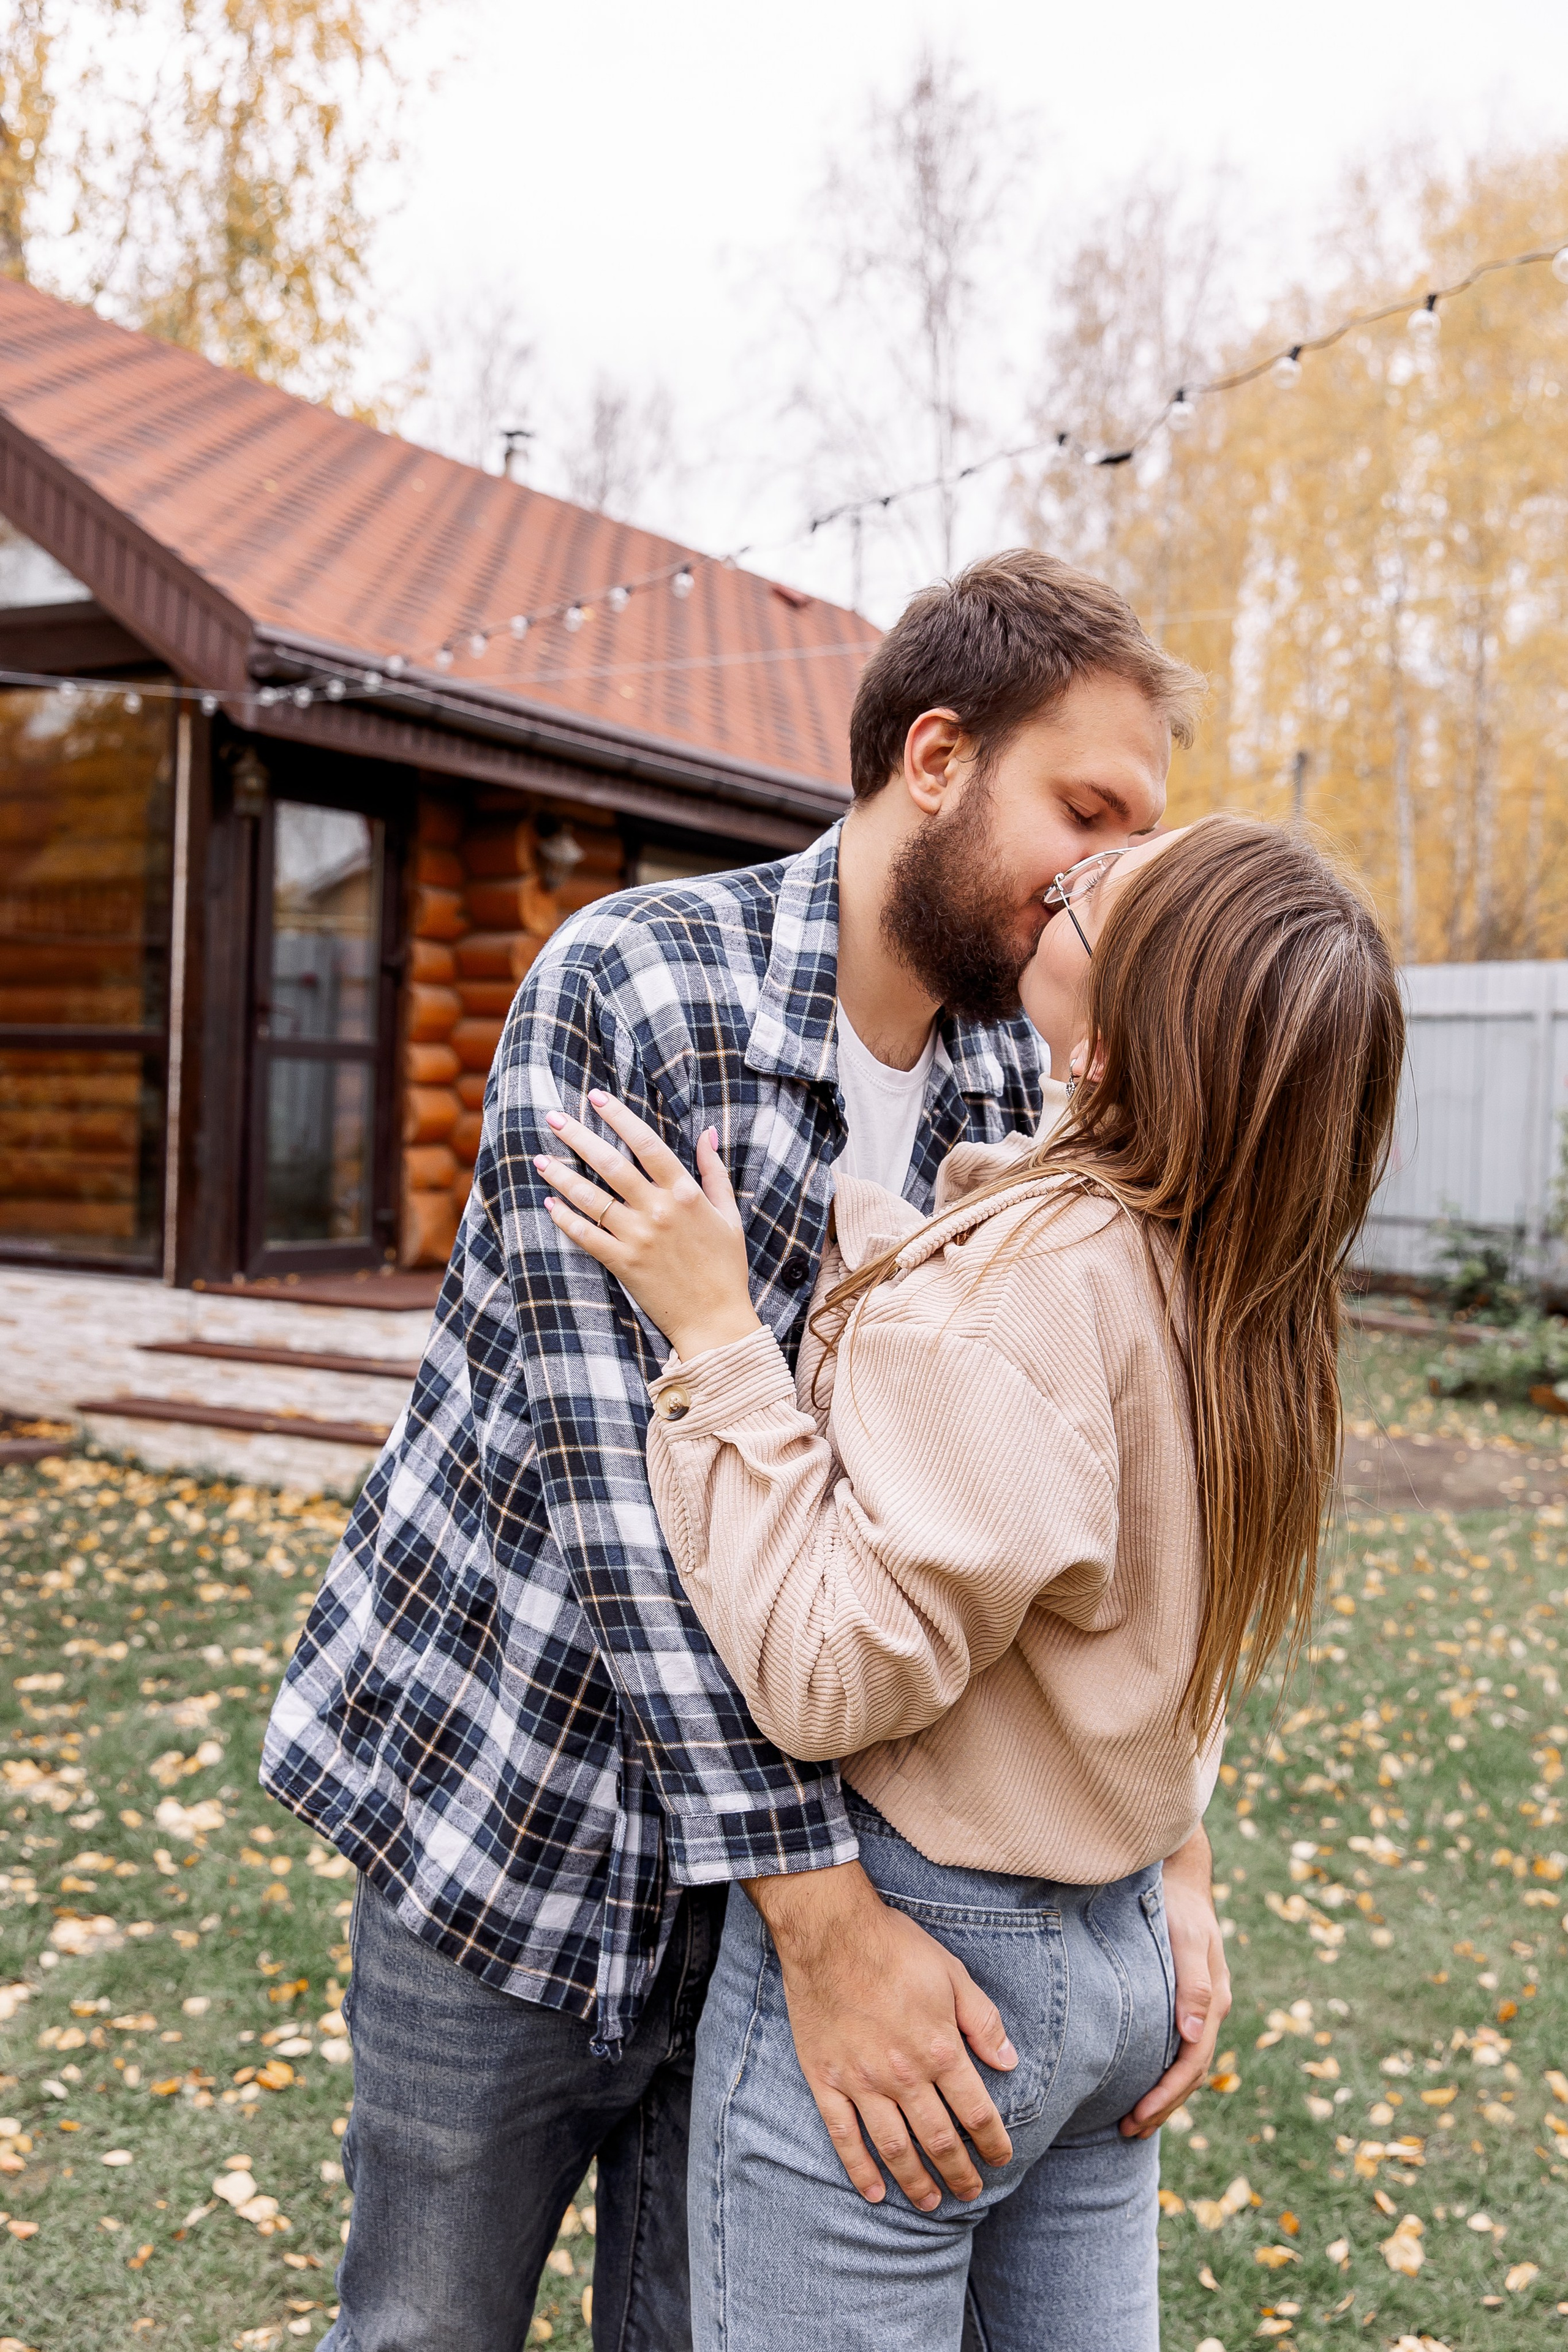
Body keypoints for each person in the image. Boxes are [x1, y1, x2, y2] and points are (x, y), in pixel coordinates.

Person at [261, 549, 1208, 2351]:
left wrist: (1165, 1861)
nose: (1099, 879)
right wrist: (827, 1923)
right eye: (1082, 813)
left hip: (798, 1901)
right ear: (937, 756)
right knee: (422, 2327)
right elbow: (621, 1501)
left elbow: (1098, 1485)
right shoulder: (631, 987)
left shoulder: (1026, 1082)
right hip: (513, 1818)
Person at [535, 813, 1405, 2351]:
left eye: (1094, 895)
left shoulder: (1022, 1295)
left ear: (1141, 1018)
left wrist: (717, 1340)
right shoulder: (1252, 1288)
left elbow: (824, 1672)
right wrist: (1181, 1873)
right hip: (1113, 1942)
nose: (1057, 885)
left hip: (941, 1959)